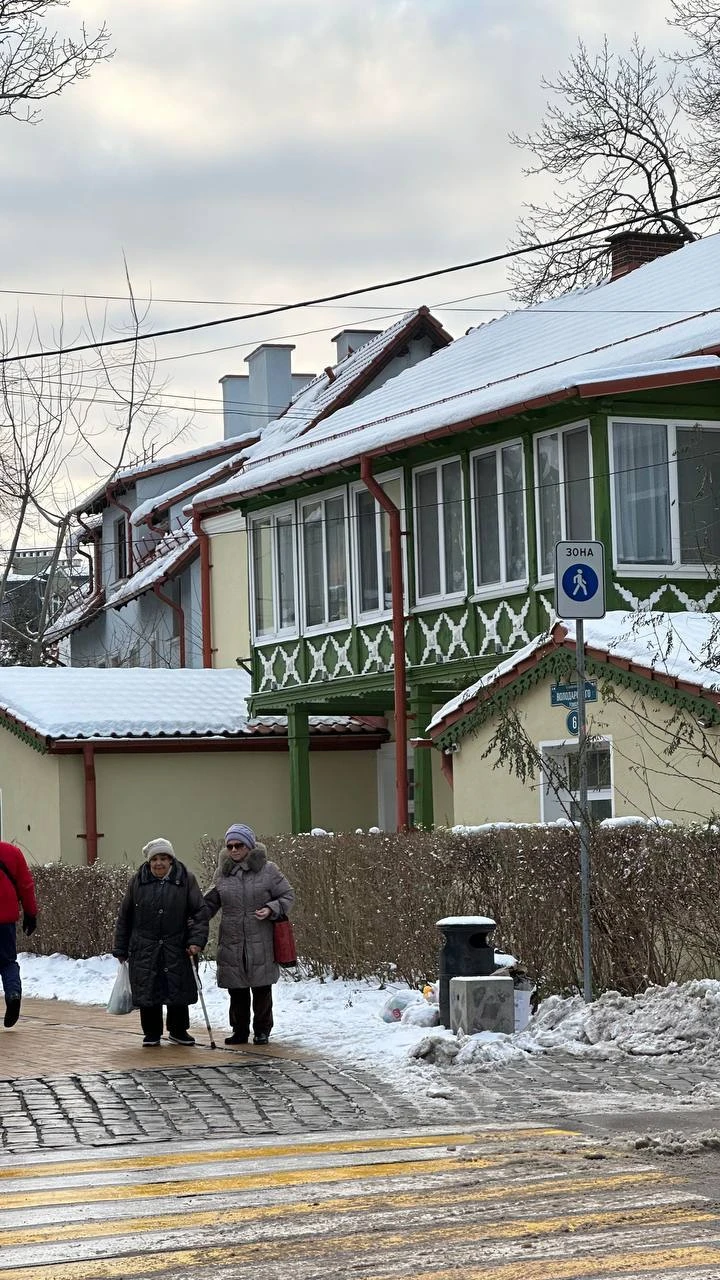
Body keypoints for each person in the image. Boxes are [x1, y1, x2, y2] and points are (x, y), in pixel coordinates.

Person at [112, 837, 208, 1047]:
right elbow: (125, 916)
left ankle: (179, 1030)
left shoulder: (186, 880)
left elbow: (200, 912)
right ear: (149, 862)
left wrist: (196, 941)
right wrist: (120, 947)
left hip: (178, 943)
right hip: (145, 944)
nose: (159, 863)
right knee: (149, 988)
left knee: (177, 987)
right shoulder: (138, 880)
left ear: (171, 860)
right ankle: (152, 1032)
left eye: (164, 858)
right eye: (155, 859)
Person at [204, 823, 294, 1046]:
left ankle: (262, 1030)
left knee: (262, 988)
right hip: (232, 939)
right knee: (237, 990)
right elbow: (210, 903)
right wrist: (192, 915)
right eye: (230, 846)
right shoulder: (222, 873)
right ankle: (239, 1031)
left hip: (260, 938)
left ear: (249, 846)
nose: (234, 850)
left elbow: (287, 896)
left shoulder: (268, 870)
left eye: (239, 845)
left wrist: (271, 908)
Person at [0, 840, 37, 1029]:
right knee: (7, 962)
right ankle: (13, 993)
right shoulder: (12, 852)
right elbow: (26, 885)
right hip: (5, 920)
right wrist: (31, 913)